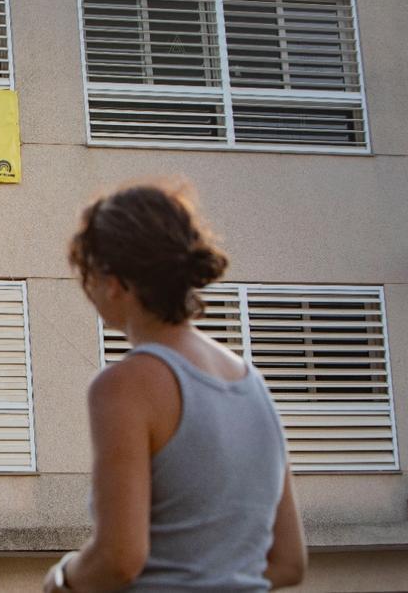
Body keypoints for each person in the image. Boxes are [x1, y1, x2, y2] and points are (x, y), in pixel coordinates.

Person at [43, 183, 307, 592]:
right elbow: (290, 563)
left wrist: (61, 581)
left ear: (112, 280)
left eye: (86, 275)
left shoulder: (124, 386)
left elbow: (119, 559)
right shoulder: (253, 385)